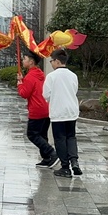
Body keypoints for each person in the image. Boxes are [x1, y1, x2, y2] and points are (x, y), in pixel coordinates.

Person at [43, 49, 82, 178]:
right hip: (72, 111)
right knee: (71, 137)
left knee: (60, 139)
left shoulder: (51, 76)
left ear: (57, 61)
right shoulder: (73, 75)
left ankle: (65, 167)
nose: (51, 63)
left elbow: (46, 95)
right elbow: (74, 90)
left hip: (58, 112)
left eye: (52, 61)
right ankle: (74, 160)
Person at [16, 51, 58, 169]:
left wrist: (20, 83)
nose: (23, 61)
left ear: (31, 62)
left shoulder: (30, 76)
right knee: (42, 134)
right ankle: (46, 158)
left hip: (36, 108)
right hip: (45, 107)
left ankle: (51, 153)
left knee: (32, 134)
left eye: (24, 59)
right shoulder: (40, 74)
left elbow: (24, 93)